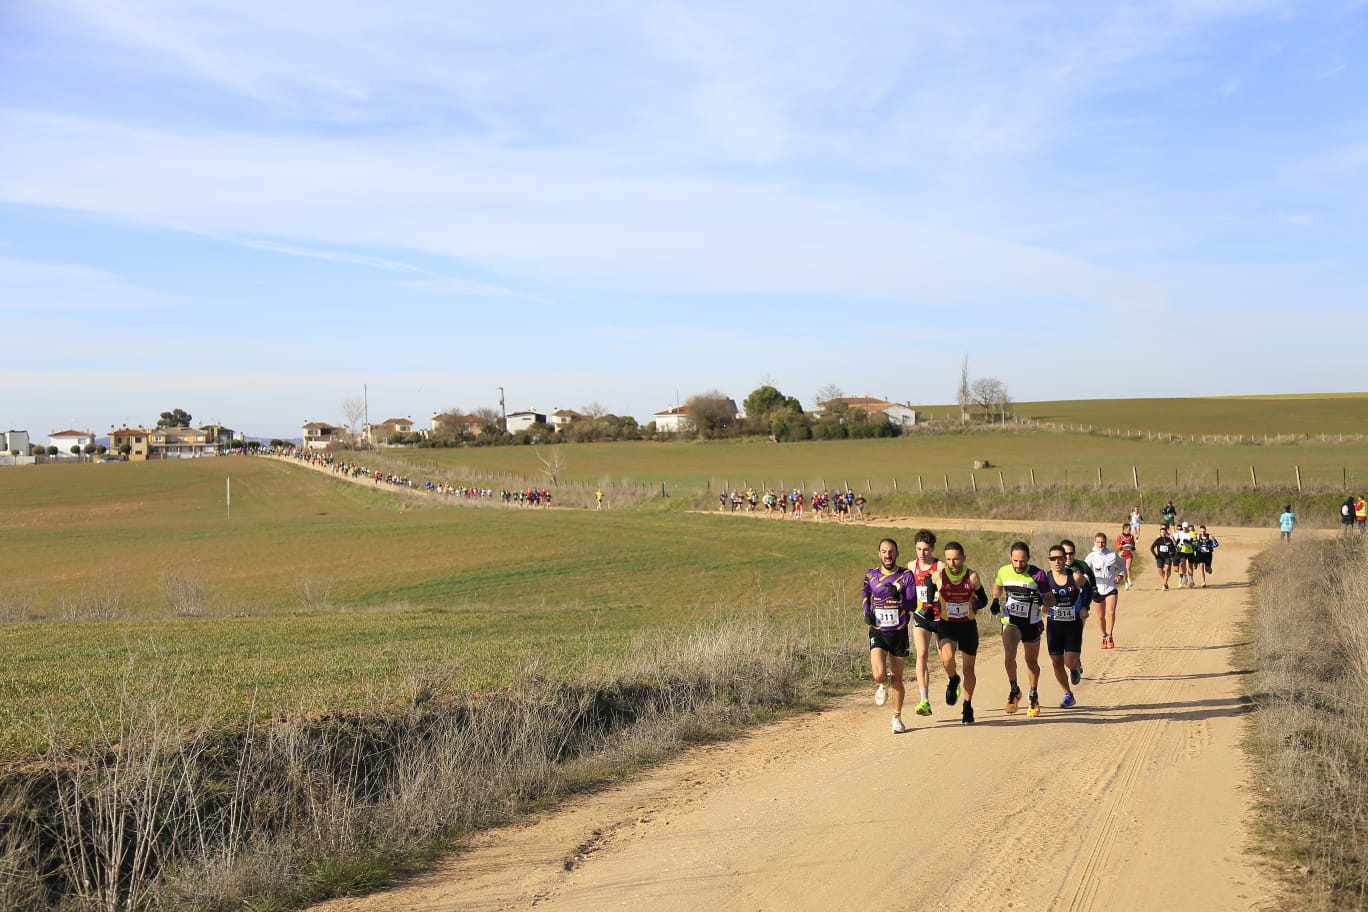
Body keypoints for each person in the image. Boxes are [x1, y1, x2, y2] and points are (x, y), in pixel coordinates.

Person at [991, 541, 1054, 718]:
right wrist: (996, 600)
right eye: (1015, 561)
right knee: (1009, 655)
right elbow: (998, 585)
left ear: (1028, 559)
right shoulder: (1004, 571)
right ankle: (1014, 690)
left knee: (1031, 662)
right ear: (1010, 558)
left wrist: (1041, 601)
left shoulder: (1038, 575)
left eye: (1022, 561)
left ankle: (1033, 695)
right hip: (1011, 621)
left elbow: (1051, 600)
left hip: (1031, 623)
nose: (1019, 565)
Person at [861, 538, 916, 734]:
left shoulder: (906, 576)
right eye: (884, 551)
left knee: (898, 679)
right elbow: (865, 593)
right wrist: (867, 611)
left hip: (899, 632)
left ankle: (897, 718)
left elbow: (912, 605)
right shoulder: (871, 575)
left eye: (891, 551)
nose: (888, 555)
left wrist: (900, 597)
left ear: (897, 554)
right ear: (879, 554)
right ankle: (883, 684)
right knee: (878, 674)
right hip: (879, 630)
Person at [932, 541, 990, 724]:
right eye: (948, 559)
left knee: (968, 669)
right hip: (947, 624)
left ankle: (967, 705)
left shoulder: (972, 577)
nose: (952, 563)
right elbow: (928, 597)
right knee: (947, 659)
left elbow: (984, 599)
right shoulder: (938, 576)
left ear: (964, 559)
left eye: (956, 559)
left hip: (967, 625)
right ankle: (952, 679)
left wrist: (977, 604)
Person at [1044, 544, 1089, 707]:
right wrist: (1042, 606)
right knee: (1056, 662)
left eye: (1060, 558)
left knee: (1069, 661)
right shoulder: (1045, 579)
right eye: (1053, 558)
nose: (1057, 561)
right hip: (1054, 626)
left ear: (1065, 559)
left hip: (1073, 625)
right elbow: (1038, 596)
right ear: (1049, 560)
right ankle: (1068, 694)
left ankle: (1075, 667)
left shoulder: (1075, 576)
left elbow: (1088, 589)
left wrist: (1085, 606)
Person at [908, 529, 943, 718]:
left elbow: (947, 591)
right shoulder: (911, 565)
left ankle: (951, 679)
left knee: (946, 657)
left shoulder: (940, 566)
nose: (922, 554)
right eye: (919, 549)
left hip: (940, 616)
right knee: (921, 654)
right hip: (921, 615)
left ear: (933, 549)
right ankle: (924, 700)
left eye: (926, 550)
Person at [1085, 532, 1125, 649]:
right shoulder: (1091, 556)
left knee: (1111, 612)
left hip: (1111, 587)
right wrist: (1089, 579)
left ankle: (1110, 635)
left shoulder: (1112, 554)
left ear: (1106, 542)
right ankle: (1103, 635)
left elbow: (1122, 564)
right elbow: (1084, 571)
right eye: (1098, 542)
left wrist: (1120, 575)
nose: (1100, 544)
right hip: (1097, 589)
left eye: (1102, 542)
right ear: (1094, 543)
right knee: (1100, 616)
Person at [1150, 524, 1177, 590]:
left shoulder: (1169, 540)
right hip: (1160, 558)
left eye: (1164, 532)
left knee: (1167, 569)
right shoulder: (1158, 540)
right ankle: (1166, 581)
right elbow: (1152, 548)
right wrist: (1155, 555)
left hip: (1167, 557)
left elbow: (1174, 548)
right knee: (1161, 572)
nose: (1163, 533)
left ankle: (1164, 584)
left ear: (1166, 533)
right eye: (1162, 532)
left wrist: (1172, 553)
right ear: (1160, 533)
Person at [1173, 521, 1197, 588]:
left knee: (1190, 566)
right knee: (1182, 563)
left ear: (1188, 527)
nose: (1184, 529)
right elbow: (1175, 539)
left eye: (1186, 527)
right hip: (1182, 551)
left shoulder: (1192, 533)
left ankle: (1191, 579)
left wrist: (1191, 542)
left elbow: (1195, 541)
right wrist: (1178, 544)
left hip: (1190, 551)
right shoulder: (1179, 533)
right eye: (1183, 527)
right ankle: (1184, 576)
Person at [1115, 522, 1137, 590]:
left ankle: (1129, 579)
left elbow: (1133, 546)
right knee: (1124, 570)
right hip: (1122, 554)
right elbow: (1117, 547)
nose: (1130, 530)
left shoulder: (1131, 536)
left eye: (1130, 529)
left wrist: (1132, 547)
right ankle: (1126, 583)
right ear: (1124, 529)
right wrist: (1122, 545)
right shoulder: (1120, 537)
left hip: (1128, 554)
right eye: (1128, 529)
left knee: (1128, 567)